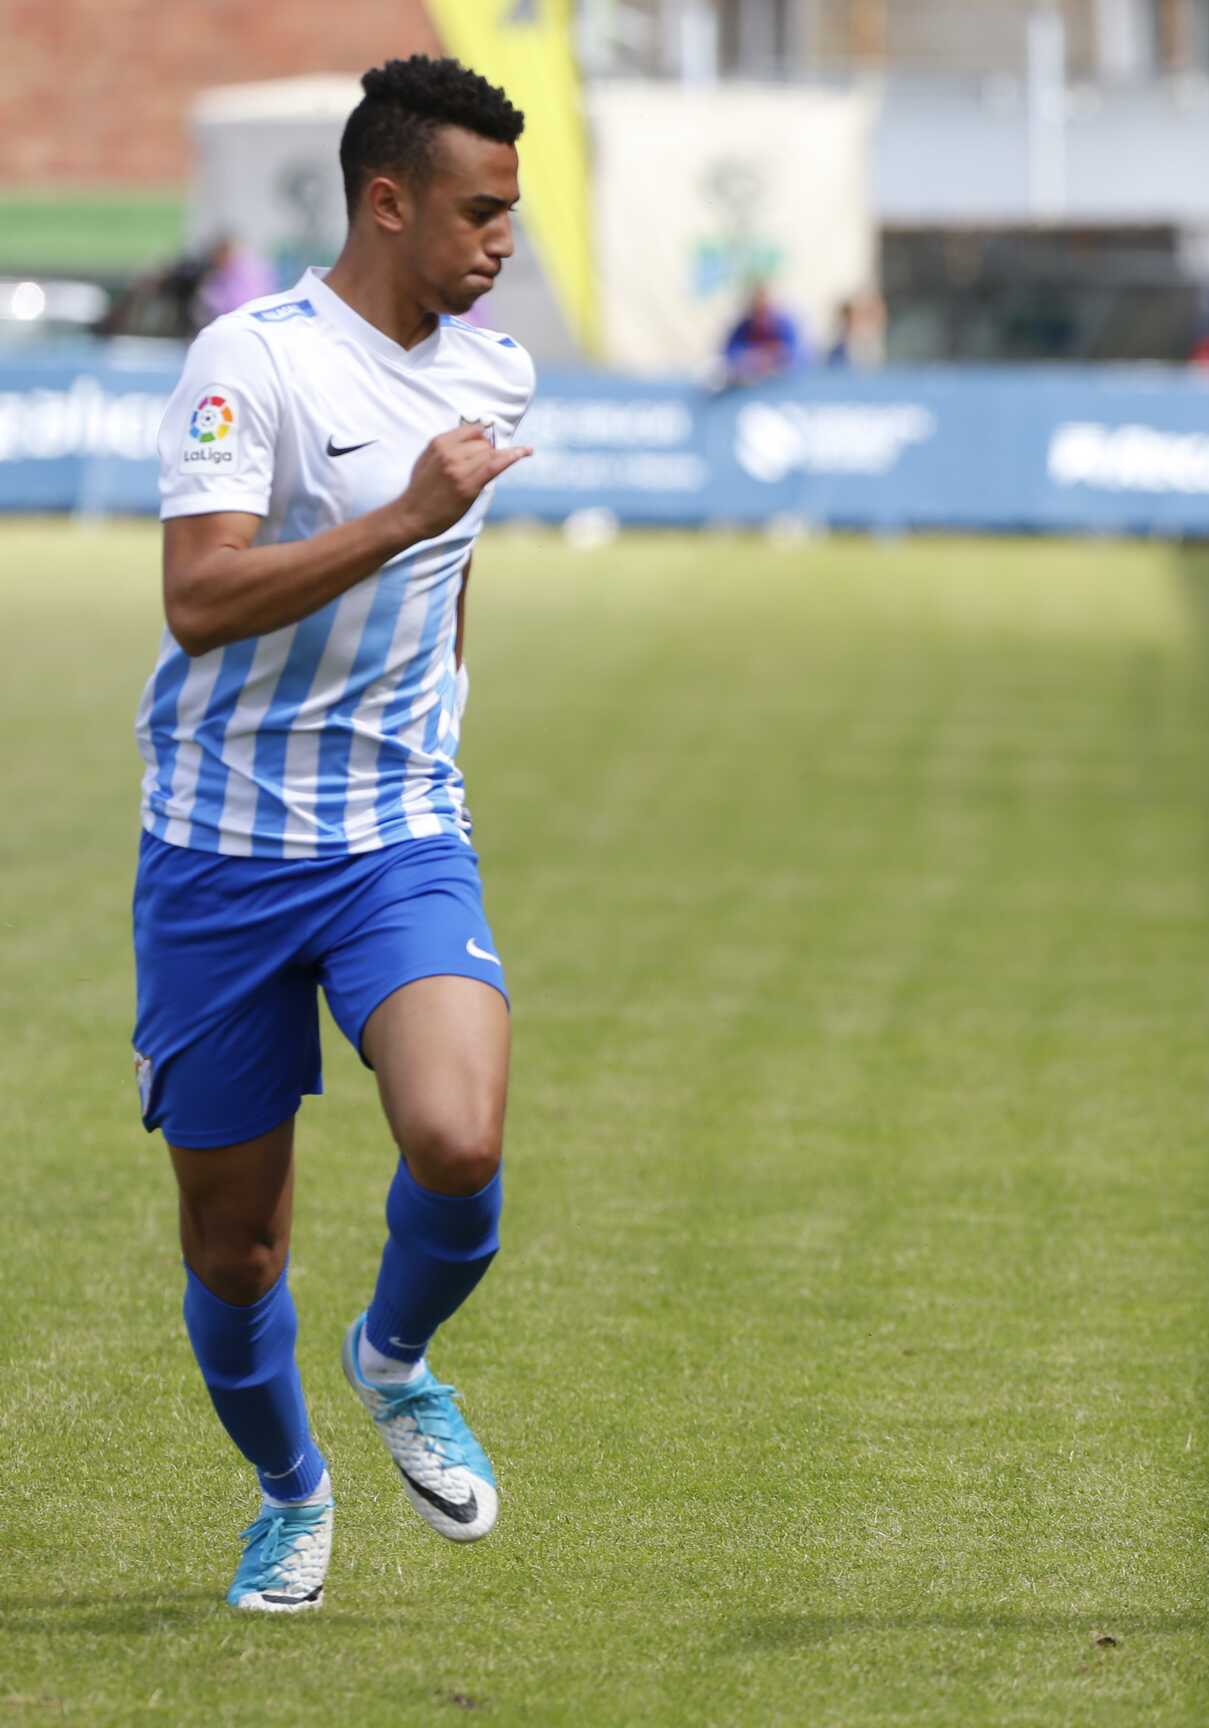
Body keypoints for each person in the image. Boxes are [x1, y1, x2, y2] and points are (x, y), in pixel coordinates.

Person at [136, 54, 536, 1613]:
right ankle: (291, 1492)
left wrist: (443, 706)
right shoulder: (253, 360)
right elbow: (198, 596)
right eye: (479, 211)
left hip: (395, 838)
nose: (502, 240)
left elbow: (452, 570)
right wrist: (400, 517)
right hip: (221, 853)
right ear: (387, 202)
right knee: (237, 1251)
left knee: (460, 1136)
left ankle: (394, 1356)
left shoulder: (497, 374)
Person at [722, 279, 802, 384]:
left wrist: (774, 358)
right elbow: (730, 355)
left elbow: (797, 354)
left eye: (763, 309)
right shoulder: (742, 329)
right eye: (755, 310)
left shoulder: (784, 325)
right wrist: (754, 358)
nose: (760, 318)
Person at [826, 288, 887, 369]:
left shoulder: (891, 349)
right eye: (861, 314)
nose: (866, 321)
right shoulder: (837, 353)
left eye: (871, 314)